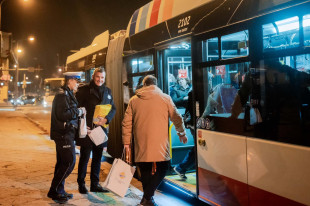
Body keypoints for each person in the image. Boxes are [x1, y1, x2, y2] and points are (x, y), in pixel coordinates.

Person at [122, 75, 188, 206]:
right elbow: (177, 117)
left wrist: (126, 143)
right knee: (163, 168)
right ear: (156, 85)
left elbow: (126, 123)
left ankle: (147, 197)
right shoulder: (165, 98)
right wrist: (181, 133)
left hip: (141, 143)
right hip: (160, 143)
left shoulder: (134, 100)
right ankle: (148, 198)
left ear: (144, 84)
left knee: (145, 170)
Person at [75, 68, 116, 194]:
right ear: (93, 76)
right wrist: (81, 125)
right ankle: (81, 184)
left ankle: (95, 184)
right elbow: (76, 109)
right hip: (88, 130)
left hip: (100, 130)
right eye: (98, 77)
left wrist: (106, 119)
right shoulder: (83, 90)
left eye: (102, 78)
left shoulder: (107, 91)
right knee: (85, 157)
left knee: (98, 158)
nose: (100, 80)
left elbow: (113, 108)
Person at [47, 72, 85, 204]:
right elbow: (63, 115)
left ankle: (60, 191)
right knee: (69, 162)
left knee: (62, 163)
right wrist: (78, 111)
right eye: (77, 81)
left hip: (66, 133)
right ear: (70, 81)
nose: (78, 84)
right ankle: (54, 190)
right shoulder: (63, 95)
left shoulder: (67, 93)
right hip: (63, 134)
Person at [173, 90, 195, 180]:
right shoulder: (193, 93)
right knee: (198, 149)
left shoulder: (192, 92)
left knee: (197, 149)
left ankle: (181, 167)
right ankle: (181, 167)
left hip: (194, 123)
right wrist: (181, 133)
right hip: (194, 124)